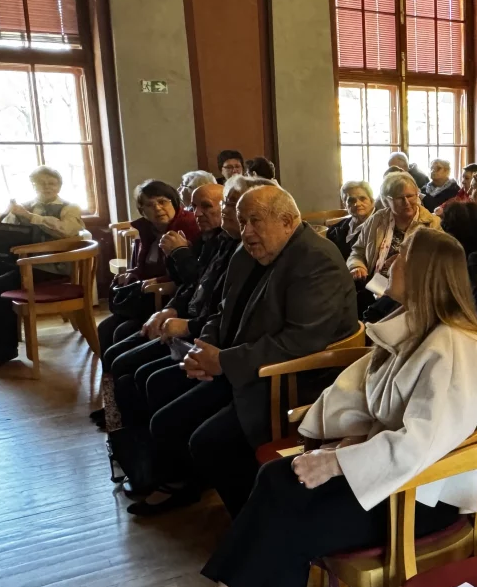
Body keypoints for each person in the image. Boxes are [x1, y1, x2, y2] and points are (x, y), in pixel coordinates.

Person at [104, 228, 477, 587]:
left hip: (422, 503)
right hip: (391, 479)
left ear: (427, 273)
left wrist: (334, 458)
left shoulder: (456, 347)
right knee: (276, 484)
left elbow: (423, 442)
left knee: (284, 517)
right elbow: (370, 403)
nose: (390, 259)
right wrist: (335, 442)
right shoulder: (416, 327)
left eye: (402, 254)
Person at [135, 184, 360, 517]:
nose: (246, 231)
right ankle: (186, 484)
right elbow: (223, 310)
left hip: (291, 383)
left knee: (207, 442)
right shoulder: (246, 252)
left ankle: (252, 520)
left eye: (255, 221)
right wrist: (206, 347)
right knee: (164, 411)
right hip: (247, 366)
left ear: (287, 221)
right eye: (242, 221)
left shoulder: (317, 260)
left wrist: (222, 361)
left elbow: (299, 343)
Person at [98, 183, 238, 450]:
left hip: (203, 334)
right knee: (117, 351)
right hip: (183, 318)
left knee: (139, 370)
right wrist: (169, 310)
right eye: (194, 206)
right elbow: (191, 287)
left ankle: (141, 446)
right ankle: (128, 439)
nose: (198, 213)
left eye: (207, 206)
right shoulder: (215, 240)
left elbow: (205, 292)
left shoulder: (229, 245)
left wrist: (178, 253)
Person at [0, 166, 85, 366]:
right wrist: (4, 221)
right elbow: (11, 232)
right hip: (24, 263)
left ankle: (6, 348)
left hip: (51, 267)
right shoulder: (26, 206)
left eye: (52, 182)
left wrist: (31, 217)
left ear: (59, 185)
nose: (47, 187)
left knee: (1, 285)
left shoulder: (69, 208)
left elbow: (66, 231)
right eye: (41, 183)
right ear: (33, 185)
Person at [97, 180, 201, 353]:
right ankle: (109, 378)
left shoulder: (188, 226)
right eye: (150, 205)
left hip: (168, 297)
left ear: (174, 201)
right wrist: (132, 273)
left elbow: (191, 273)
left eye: (162, 201)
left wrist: (158, 280)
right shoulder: (147, 229)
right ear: (142, 210)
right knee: (105, 328)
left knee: (122, 331)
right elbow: (143, 265)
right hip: (146, 297)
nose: (158, 208)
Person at [347, 173, 439, 312]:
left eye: (410, 196)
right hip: (376, 284)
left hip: (412, 290)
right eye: (399, 198)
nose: (406, 202)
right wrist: (357, 266)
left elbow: (439, 262)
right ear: (386, 200)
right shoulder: (376, 220)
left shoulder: (432, 223)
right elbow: (358, 251)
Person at [324, 180, 375, 262]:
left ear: (372, 201)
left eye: (362, 199)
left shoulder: (380, 227)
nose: (357, 204)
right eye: (351, 200)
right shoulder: (335, 229)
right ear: (345, 205)